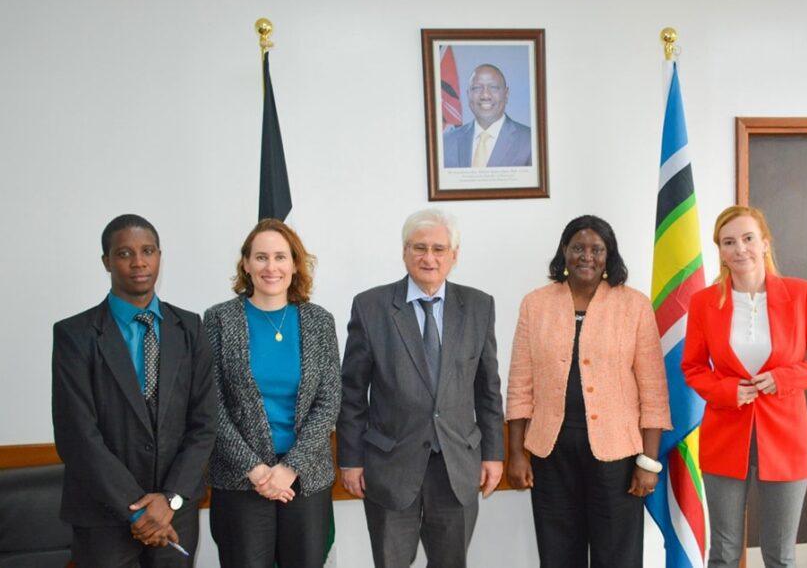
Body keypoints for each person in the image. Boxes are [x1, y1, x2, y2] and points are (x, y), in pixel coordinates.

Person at [682, 205, 807, 568]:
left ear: (765, 244)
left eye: (747, 238)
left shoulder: (802, 293)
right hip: (724, 436)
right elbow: (692, 367)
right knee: (724, 553)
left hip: (788, 439)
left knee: (780, 554)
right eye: (729, 242)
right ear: (721, 251)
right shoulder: (703, 303)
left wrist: (783, 378)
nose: (739, 249)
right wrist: (728, 391)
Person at [337, 208, 504, 568]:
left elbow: (488, 389)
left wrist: (493, 454)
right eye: (419, 247)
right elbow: (352, 393)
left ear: (454, 256)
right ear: (404, 252)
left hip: (457, 466)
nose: (429, 258)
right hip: (390, 467)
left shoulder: (478, 306)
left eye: (439, 249)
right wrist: (350, 460)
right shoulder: (371, 307)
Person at [506, 215, 671, 568]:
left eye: (597, 249)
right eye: (578, 247)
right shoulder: (535, 304)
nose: (587, 256)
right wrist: (517, 453)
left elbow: (654, 391)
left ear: (608, 255)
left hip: (618, 456)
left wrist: (649, 462)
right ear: (564, 251)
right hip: (551, 452)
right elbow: (520, 383)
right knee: (558, 553)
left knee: (617, 557)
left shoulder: (634, 305)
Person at [52, 214, 216, 567]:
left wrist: (169, 500)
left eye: (148, 251)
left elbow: (204, 424)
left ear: (159, 256)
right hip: (102, 516)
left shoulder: (189, 328)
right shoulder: (74, 335)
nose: (139, 262)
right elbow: (77, 435)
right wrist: (137, 511)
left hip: (175, 515)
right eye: (124, 253)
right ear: (106, 261)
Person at [204, 218, 341, 568]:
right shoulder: (219, 319)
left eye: (280, 257)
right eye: (261, 257)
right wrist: (255, 470)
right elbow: (210, 403)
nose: (271, 267)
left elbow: (328, 402)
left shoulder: (319, 321)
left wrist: (289, 468)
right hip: (240, 481)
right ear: (246, 264)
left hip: (305, 480)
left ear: (295, 265)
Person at [443, 63, 532, 168]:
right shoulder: (446, 142)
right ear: (468, 95)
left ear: (506, 94)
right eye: (477, 88)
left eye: (494, 87)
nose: (485, 95)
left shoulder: (530, 140)